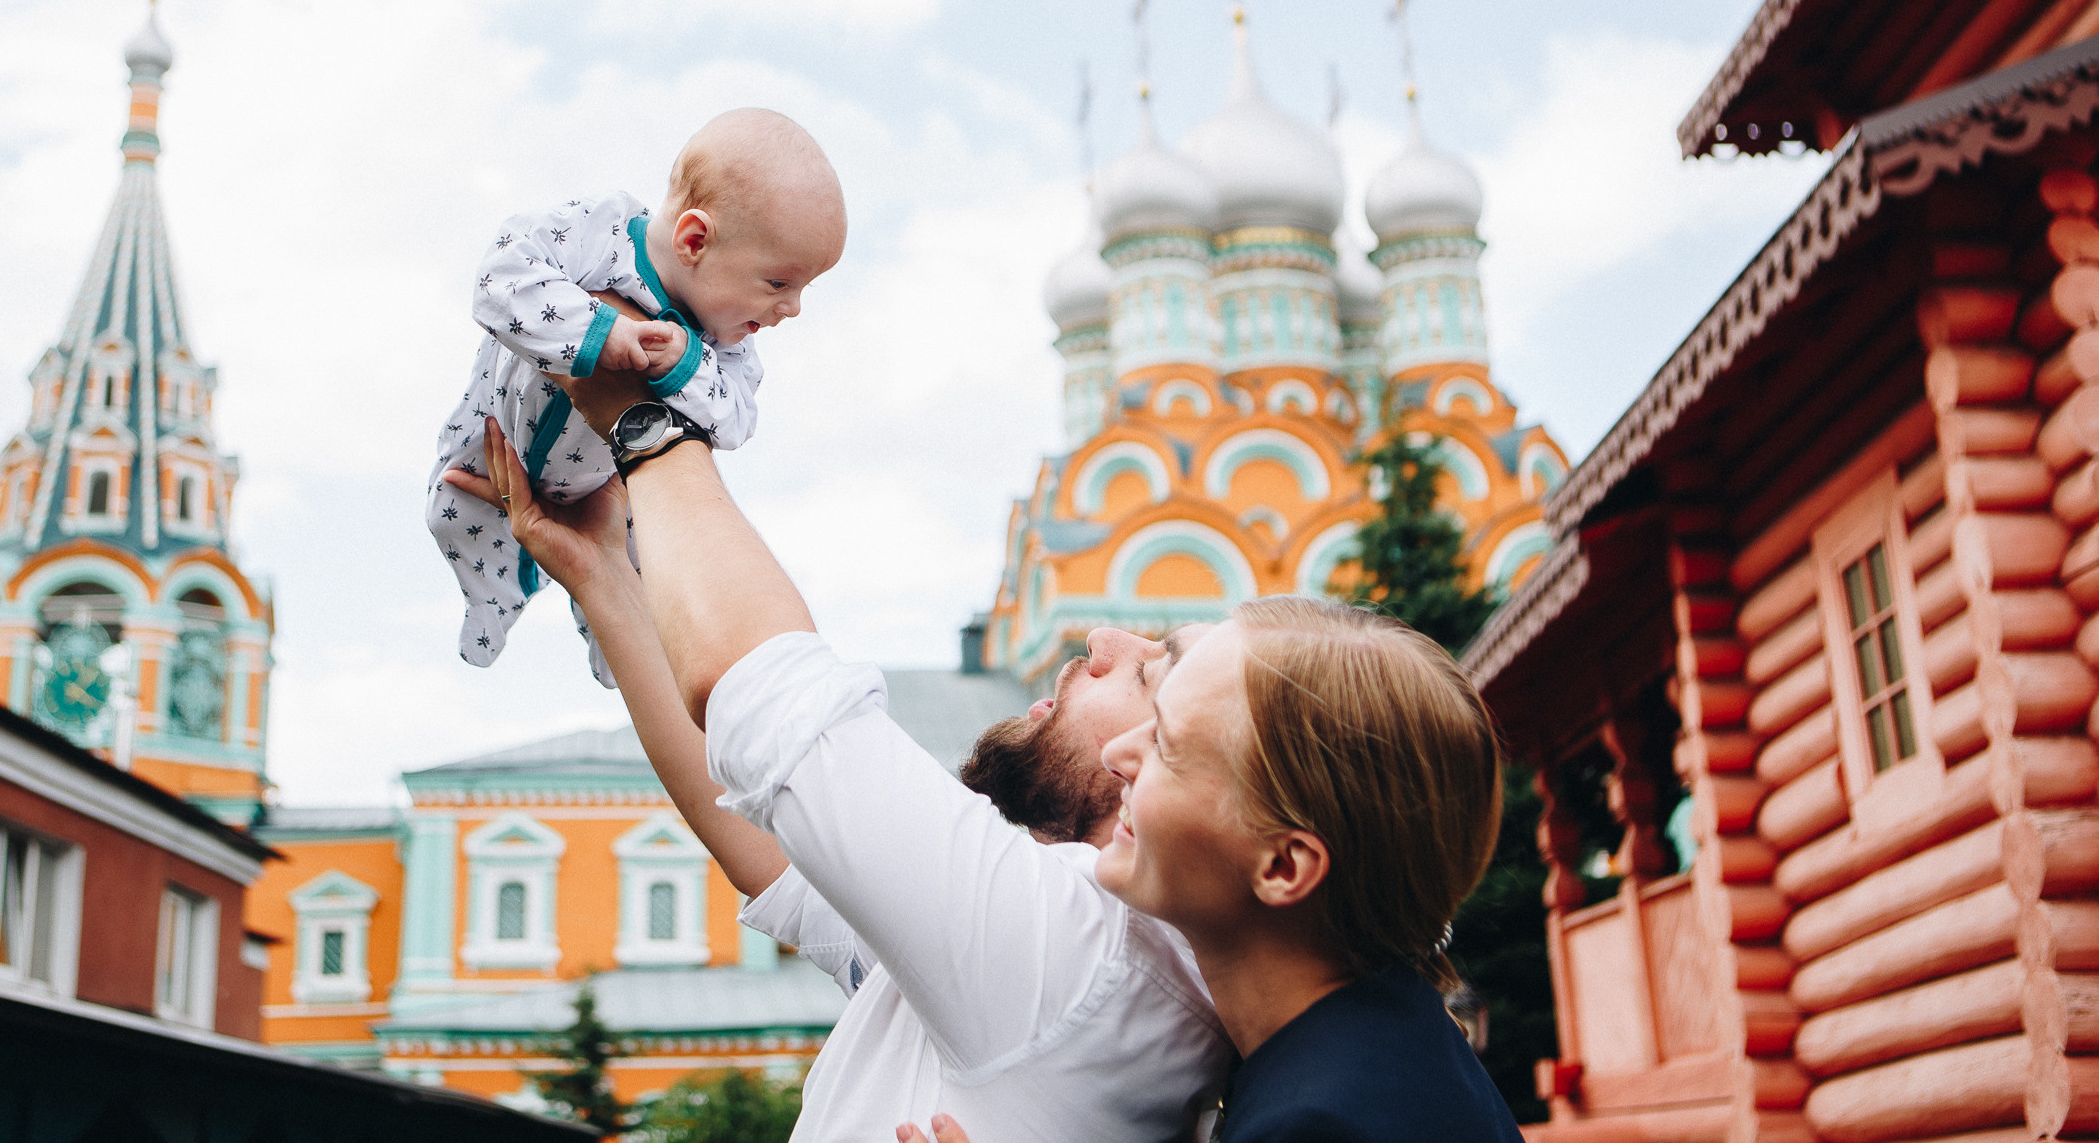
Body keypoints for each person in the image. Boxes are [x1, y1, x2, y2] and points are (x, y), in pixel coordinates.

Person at [445, 414, 1232, 1140]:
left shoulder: (1081, 939)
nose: (1102, 637)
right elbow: (771, 846)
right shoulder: (1054, 940)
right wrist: (603, 572)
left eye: (1151, 671)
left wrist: (647, 416)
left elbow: (773, 704)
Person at [901, 601, 1524, 1143]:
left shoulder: (1321, 1122)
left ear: (1283, 866)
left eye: (1167, 745)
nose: (1118, 754)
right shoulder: (1376, 1048)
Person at [426, 108, 845, 685]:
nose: (792, 308)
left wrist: (685, 365)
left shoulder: (724, 343)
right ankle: (493, 600)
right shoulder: (602, 233)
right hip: (497, 433)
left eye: (803, 289)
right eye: (779, 283)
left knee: (656, 570)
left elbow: (736, 420)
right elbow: (500, 277)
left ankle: (622, 658)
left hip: (608, 483)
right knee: (449, 508)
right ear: (695, 239)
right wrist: (599, 329)